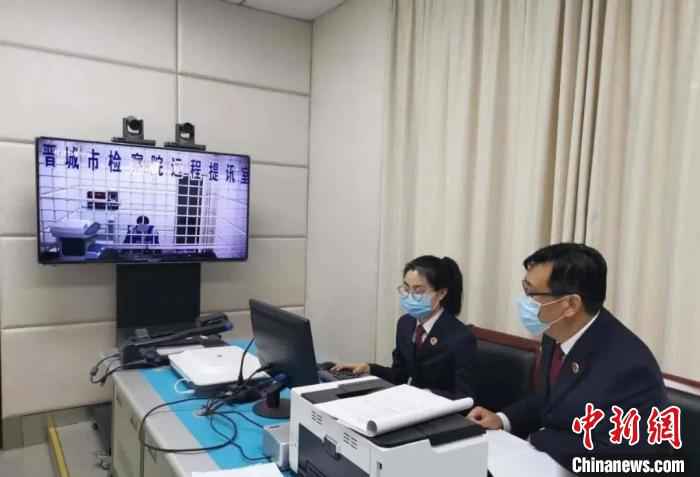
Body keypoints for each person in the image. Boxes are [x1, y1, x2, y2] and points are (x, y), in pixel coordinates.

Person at [468, 243, 670, 470]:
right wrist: (503, 419)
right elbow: (550, 399)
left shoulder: (629, 365)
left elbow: (625, 454)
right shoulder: (555, 332)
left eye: (531, 294)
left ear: (571, 305)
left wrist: (540, 438)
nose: (524, 302)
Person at [332, 255, 477, 399]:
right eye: (407, 289)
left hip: (439, 409)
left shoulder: (461, 337)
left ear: (441, 293)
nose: (410, 296)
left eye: (418, 291)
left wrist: (425, 395)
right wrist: (369, 368)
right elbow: (399, 375)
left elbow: (464, 396)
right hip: (408, 403)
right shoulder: (405, 324)